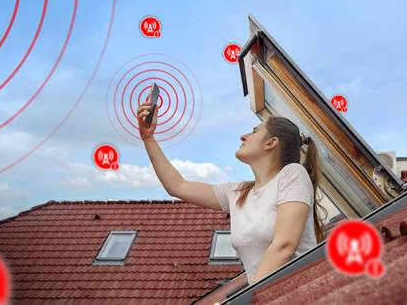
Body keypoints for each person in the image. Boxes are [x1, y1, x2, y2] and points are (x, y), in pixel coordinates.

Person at [137, 100, 326, 285]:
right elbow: (177, 186)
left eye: (254, 131)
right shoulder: (238, 193)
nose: (243, 136)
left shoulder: (292, 174)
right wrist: (148, 138)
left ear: (271, 143)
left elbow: (284, 246)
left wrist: (252, 298)